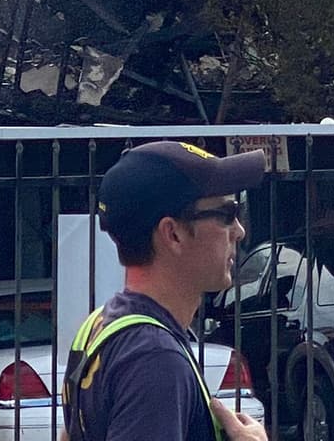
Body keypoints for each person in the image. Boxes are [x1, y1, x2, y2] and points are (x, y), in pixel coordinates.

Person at [62, 141, 269, 441]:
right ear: (173, 234)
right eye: (227, 214)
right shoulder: (154, 359)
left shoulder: (100, 325)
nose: (239, 231)